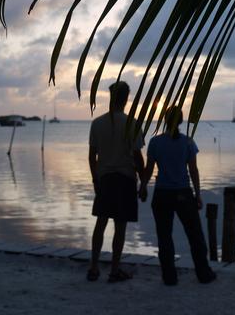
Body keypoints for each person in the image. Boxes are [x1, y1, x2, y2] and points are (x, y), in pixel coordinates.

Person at [139, 106, 216, 286]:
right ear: (181, 121)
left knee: (164, 236)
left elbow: (149, 169)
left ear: (165, 120)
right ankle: (203, 273)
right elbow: (193, 170)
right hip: (183, 193)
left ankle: (169, 277)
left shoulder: (155, 142)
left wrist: (142, 186)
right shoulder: (187, 142)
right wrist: (198, 194)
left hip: (162, 194)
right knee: (195, 235)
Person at [87, 81, 144, 283]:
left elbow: (92, 156)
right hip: (125, 178)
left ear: (111, 97)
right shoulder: (132, 123)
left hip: (105, 179)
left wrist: (95, 179)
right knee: (120, 227)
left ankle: (93, 267)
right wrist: (144, 182)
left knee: (100, 223)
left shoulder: (98, 123)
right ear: (126, 98)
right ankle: (114, 269)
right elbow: (137, 156)